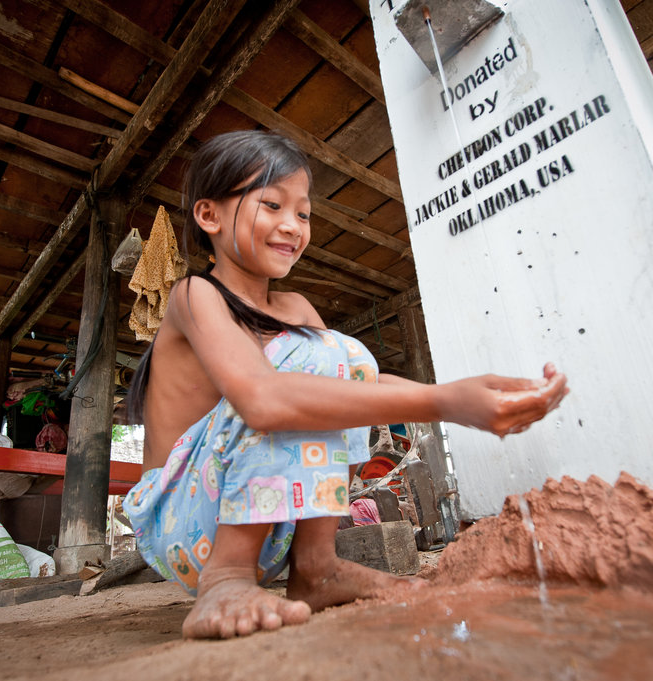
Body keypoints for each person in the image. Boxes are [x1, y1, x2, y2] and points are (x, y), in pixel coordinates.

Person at [122, 130, 569, 640]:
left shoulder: (294, 309)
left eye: (304, 213)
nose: (292, 226)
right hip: (183, 525)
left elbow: (361, 379)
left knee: (345, 355)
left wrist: (466, 392)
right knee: (301, 369)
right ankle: (228, 576)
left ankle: (317, 567)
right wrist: (443, 402)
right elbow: (263, 401)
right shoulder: (193, 293)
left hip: (267, 521)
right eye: (272, 205)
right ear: (210, 216)